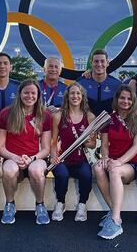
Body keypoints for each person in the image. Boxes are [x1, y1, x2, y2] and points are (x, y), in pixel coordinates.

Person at [93, 85, 137, 239]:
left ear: (133, 101)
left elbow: (136, 147)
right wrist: (105, 158)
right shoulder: (108, 119)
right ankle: (113, 212)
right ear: (116, 99)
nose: (125, 101)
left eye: (129, 98)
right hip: (112, 160)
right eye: (122, 98)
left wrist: (119, 162)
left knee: (115, 171)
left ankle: (116, 221)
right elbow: (104, 145)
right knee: (97, 168)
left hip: (130, 165)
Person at [0, 79, 52, 225]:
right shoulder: (6, 113)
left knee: (35, 170)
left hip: (34, 158)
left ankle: (40, 205)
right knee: (8, 170)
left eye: (33, 93)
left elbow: (46, 149)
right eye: (26, 92)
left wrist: (32, 158)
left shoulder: (44, 115)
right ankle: (10, 204)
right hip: (13, 158)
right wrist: (15, 157)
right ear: (19, 94)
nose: (30, 96)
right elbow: (0, 147)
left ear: (38, 95)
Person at [49, 82, 96, 222]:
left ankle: (82, 204)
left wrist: (89, 143)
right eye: (72, 93)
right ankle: (60, 203)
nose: (75, 96)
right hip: (63, 158)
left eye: (78, 93)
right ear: (67, 96)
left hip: (81, 159)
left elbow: (93, 144)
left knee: (86, 174)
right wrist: (53, 156)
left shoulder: (89, 117)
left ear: (82, 96)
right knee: (62, 174)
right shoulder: (58, 115)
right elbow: (53, 140)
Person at [76, 49, 121, 116]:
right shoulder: (81, 83)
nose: (99, 64)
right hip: (86, 125)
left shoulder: (117, 84)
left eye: (102, 61)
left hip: (109, 125)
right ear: (91, 63)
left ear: (107, 63)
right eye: (96, 61)